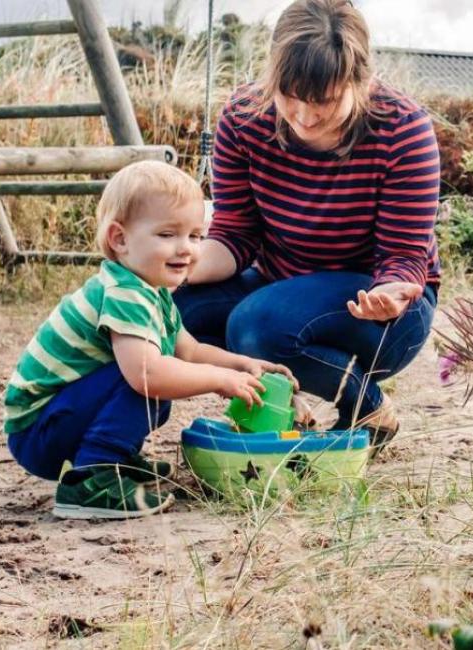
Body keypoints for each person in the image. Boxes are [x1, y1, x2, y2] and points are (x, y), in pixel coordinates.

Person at [176, 0, 441, 451]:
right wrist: (176, 269)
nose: (304, 116)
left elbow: (403, 255)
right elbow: (235, 235)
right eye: (290, 96)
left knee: (256, 327)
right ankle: (285, 405)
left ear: (359, 81)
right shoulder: (244, 119)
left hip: (377, 310)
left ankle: (367, 404)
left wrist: (393, 291)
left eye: (326, 101)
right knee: (168, 313)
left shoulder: (402, 129)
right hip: (277, 285)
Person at [3, 161, 294, 520]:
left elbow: (189, 350)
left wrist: (241, 365)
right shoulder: (125, 293)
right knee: (149, 381)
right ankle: (93, 476)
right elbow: (147, 374)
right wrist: (219, 381)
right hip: (38, 430)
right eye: (168, 235)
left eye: (195, 235)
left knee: (162, 378)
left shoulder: (151, 291)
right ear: (120, 239)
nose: (186, 248)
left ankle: (116, 458)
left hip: (58, 418)